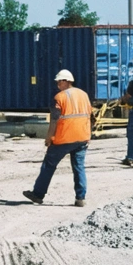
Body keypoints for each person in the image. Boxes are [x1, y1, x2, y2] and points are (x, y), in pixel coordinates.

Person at [23, 69, 91, 207]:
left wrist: (49, 137)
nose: (58, 84)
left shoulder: (59, 97)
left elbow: (54, 120)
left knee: (49, 165)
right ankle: (80, 198)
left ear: (67, 81)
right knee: (79, 167)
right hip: (82, 137)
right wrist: (89, 134)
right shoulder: (84, 95)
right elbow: (90, 115)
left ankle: (38, 194)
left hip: (64, 138)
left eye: (60, 81)